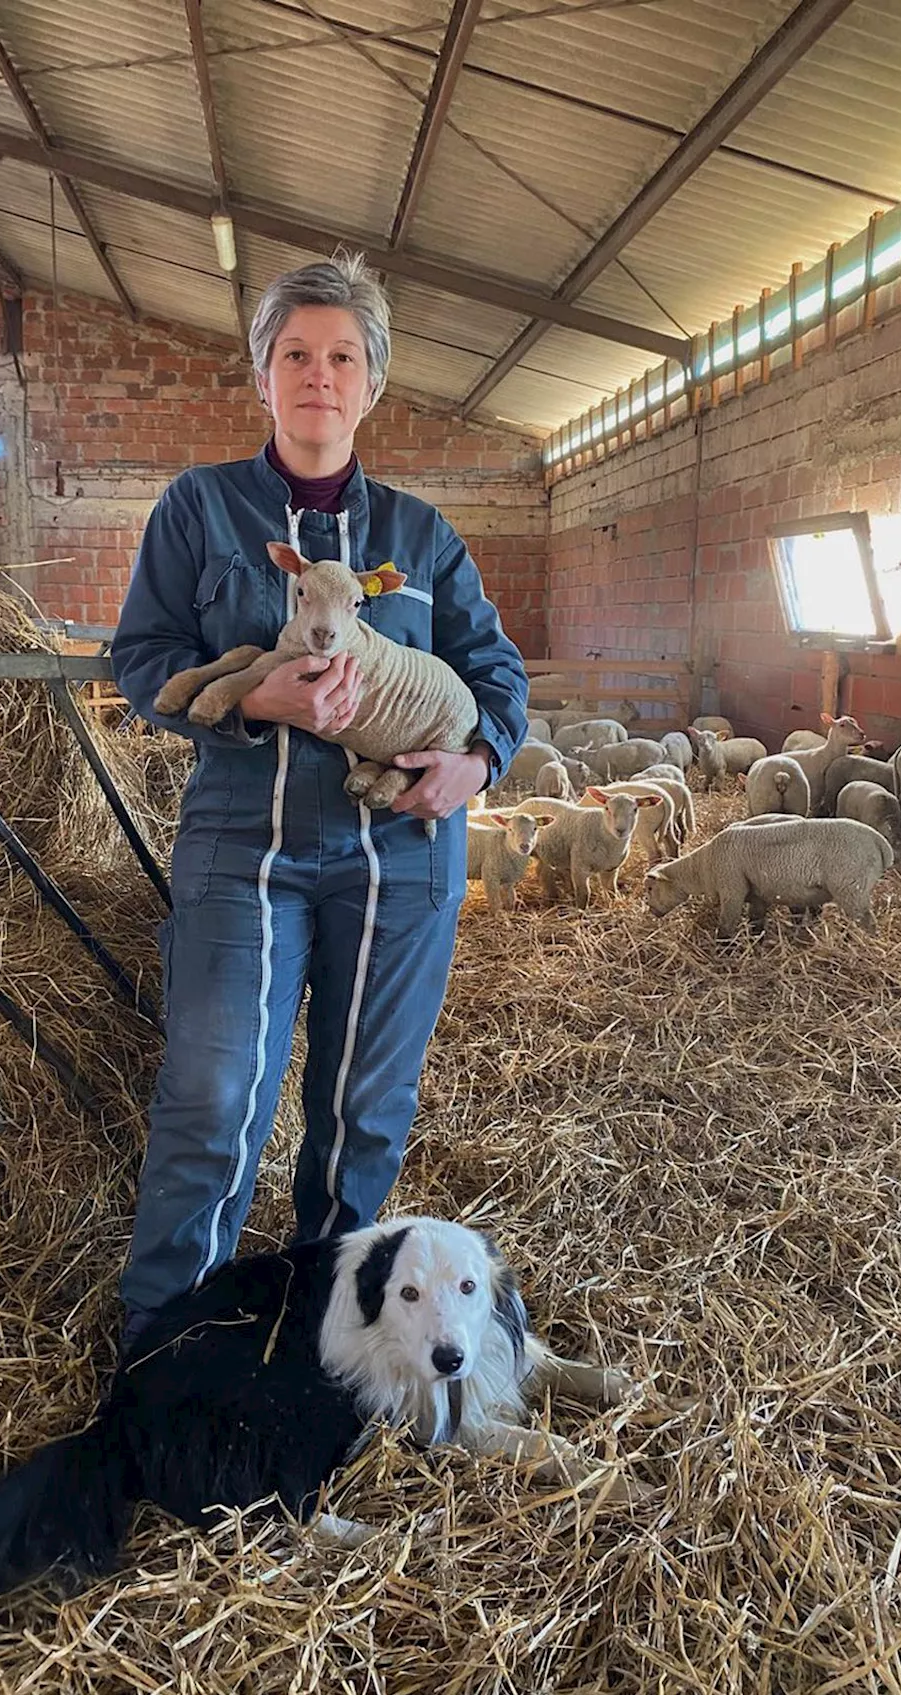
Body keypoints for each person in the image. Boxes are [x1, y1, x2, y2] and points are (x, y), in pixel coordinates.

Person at [110, 251, 530, 1349]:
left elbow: (496, 677)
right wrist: (257, 694)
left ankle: (335, 1344)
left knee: (361, 1115)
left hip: (398, 855)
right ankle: (164, 1344)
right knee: (213, 1097)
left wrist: (474, 762)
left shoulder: (421, 538)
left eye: (341, 355)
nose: (317, 374)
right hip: (243, 845)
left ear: (371, 382)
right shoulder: (200, 509)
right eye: (294, 352)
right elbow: (143, 658)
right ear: (261, 375)